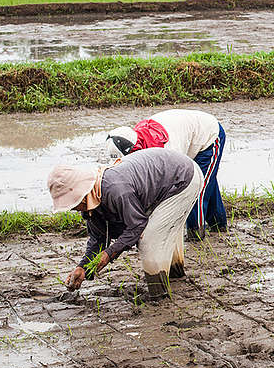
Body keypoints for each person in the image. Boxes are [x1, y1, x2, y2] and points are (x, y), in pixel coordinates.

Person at [49, 148, 203, 300]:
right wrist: (83, 267)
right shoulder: (93, 199)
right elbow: (99, 237)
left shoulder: (116, 190)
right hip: (165, 180)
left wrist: (110, 253)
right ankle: (175, 274)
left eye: (72, 204)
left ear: (81, 195)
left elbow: (137, 226)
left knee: (148, 240)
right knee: (163, 232)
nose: (73, 209)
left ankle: (159, 295)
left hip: (183, 178)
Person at [105, 108, 226, 240]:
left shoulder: (166, 151)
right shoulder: (131, 139)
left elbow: (181, 183)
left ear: (135, 151)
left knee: (198, 189)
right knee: (208, 181)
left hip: (208, 136)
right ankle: (219, 225)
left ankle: (195, 234)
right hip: (186, 133)